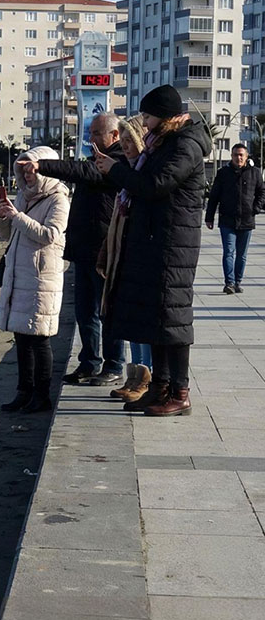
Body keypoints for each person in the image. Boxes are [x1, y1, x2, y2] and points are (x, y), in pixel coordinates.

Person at [94, 85, 211, 417]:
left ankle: (180, 392)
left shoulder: (185, 146)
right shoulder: (165, 143)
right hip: (156, 241)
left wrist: (115, 171)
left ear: (164, 115)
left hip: (173, 244)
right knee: (156, 319)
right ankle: (159, 387)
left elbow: (155, 186)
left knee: (173, 320)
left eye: (147, 116)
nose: (144, 123)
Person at [23, 112, 127, 387]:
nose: (90, 138)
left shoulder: (119, 162)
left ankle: (114, 364)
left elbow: (82, 172)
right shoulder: (98, 160)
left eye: (96, 133)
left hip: (104, 249)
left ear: (114, 135)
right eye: (90, 132)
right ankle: (89, 363)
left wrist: (43, 165)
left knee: (108, 312)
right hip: (83, 248)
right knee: (85, 312)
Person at [0, 146, 71, 413]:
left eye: (32, 169)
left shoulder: (58, 199)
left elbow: (50, 234)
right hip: (19, 272)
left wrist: (17, 216)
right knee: (21, 337)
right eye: (23, 169)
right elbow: (8, 234)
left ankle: (42, 394)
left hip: (42, 276)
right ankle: (23, 391)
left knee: (39, 337)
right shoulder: (23, 196)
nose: (27, 175)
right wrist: (2, 215)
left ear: (45, 169)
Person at [102, 116, 153, 404]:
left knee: (144, 324)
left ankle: (146, 379)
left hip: (141, 258)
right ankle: (134, 376)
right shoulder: (129, 174)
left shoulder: (142, 174)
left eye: (128, 138)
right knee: (130, 321)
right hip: (125, 258)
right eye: (120, 138)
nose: (123, 144)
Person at [205, 143, 264, 294]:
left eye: (241, 155)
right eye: (235, 155)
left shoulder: (255, 173)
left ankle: (238, 281)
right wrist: (209, 217)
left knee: (242, 255)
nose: (238, 157)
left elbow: (261, 192)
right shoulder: (223, 173)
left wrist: (255, 209)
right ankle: (229, 283)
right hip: (227, 220)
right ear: (231, 156)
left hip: (246, 220)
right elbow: (214, 196)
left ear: (246, 157)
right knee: (229, 252)